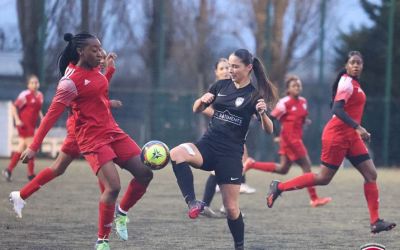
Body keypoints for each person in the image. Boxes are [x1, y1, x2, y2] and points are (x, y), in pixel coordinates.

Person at [20, 33, 153, 250]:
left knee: (146, 173)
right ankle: (102, 241)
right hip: (91, 138)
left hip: (113, 131)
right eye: (94, 50)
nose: (100, 53)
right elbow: (52, 115)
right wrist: (34, 146)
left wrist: (109, 69)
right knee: (112, 187)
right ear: (81, 52)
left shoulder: (96, 71)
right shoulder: (69, 82)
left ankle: (122, 213)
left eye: (100, 48)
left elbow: (95, 90)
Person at [266, 51, 396, 234]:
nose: (356, 65)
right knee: (323, 178)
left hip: (350, 137)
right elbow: (337, 109)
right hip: (336, 136)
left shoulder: (355, 84)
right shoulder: (346, 82)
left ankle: (375, 222)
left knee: (371, 175)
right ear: (346, 65)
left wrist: (356, 129)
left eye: (359, 63)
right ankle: (278, 187)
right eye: (353, 62)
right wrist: (358, 127)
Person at [170, 49, 278, 249]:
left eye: (235, 66)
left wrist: (263, 114)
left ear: (249, 68)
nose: (231, 70)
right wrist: (202, 101)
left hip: (230, 155)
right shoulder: (220, 85)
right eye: (229, 66)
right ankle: (193, 203)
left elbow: (269, 130)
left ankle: (239, 246)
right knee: (176, 153)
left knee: (231, 208)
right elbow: (196, 109)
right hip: (208, 146)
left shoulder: (254, 95)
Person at [8, 50, 120, 219]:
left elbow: (97, 96)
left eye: (104, 57)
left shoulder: (93, 72)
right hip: (82, 131)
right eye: (100, 56)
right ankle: (112, 210)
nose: (102, 60)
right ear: (84, 54)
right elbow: (89, 99)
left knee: (58, 168)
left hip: (87, 129)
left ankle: (21, 195)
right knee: (102, 165)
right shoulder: (76, 74)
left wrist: (109, 71)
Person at [243, 75, 332, 207]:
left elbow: (300, 117)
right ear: (288, 89)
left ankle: (252, 164)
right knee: (307, 166)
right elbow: (272, 118)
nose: (297, 87)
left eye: (299, 85)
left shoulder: (303, 101)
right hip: (291, 140)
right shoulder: (284, 102)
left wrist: (304, 121)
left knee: (283, 169)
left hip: (294, 139)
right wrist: (276, 133)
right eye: (294, 86)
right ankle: (314, 199)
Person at [200, 58, 256, 219]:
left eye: (228, 67)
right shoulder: (216, 88)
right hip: (215, 138)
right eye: (222, 68)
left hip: (233, 138)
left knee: (229, 168)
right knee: (216, 171)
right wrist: (223, 116)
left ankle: (225, 206)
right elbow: (203, 108)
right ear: (216, 72)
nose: (226, 70)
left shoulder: (236, 87)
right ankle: (206, 205)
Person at [2, 75, 43, 181]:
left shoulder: (40, 95)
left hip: (32, 125)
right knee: (31, 148)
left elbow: (37, 109)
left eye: (36, 82)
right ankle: (30, 174)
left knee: (21, 148)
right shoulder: (25, 95)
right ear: (28, 85)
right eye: (32, 83)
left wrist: (42, 119)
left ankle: (8, 170)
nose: (34, 85)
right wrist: (17, 119)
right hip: (24, 125)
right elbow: (14, 106)